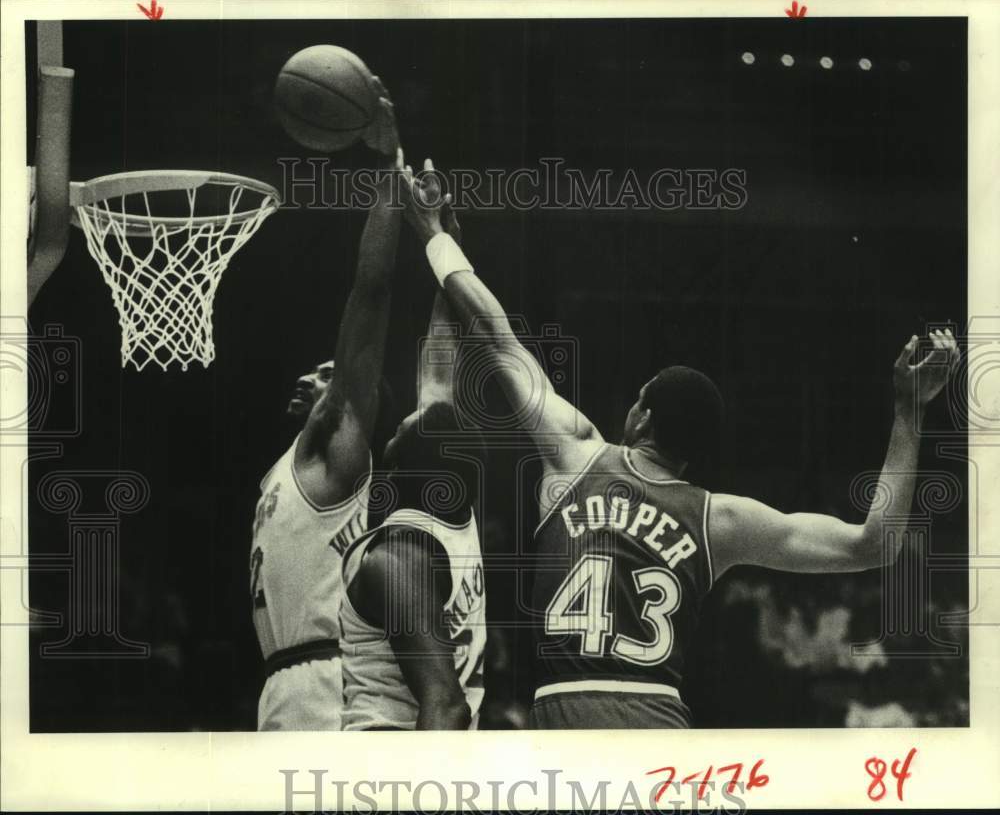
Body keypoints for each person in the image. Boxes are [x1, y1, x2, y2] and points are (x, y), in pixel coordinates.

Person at [400, 157, 960, 729]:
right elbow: (875, 545)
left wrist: (437, 239)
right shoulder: (720, 519)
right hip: (660, 726)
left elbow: (496, 334)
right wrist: (909, 411)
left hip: (569, 712)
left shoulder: (575, 451)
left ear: (641, 417)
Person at [248, 81, 402, 731]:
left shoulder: (337, 453)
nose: (313, 376)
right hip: (287, 682)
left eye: (328, 375)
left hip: (329, 679)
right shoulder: (287, 469)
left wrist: (393, 169)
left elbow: (368, 298)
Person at [340, 189, 487, 730]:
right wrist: (441, 241)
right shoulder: (457, 525)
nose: (403, 416)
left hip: (392, 762)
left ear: (401, 466)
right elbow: (440, 362)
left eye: (403, 429)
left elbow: (444, 703)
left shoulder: (396, 559)